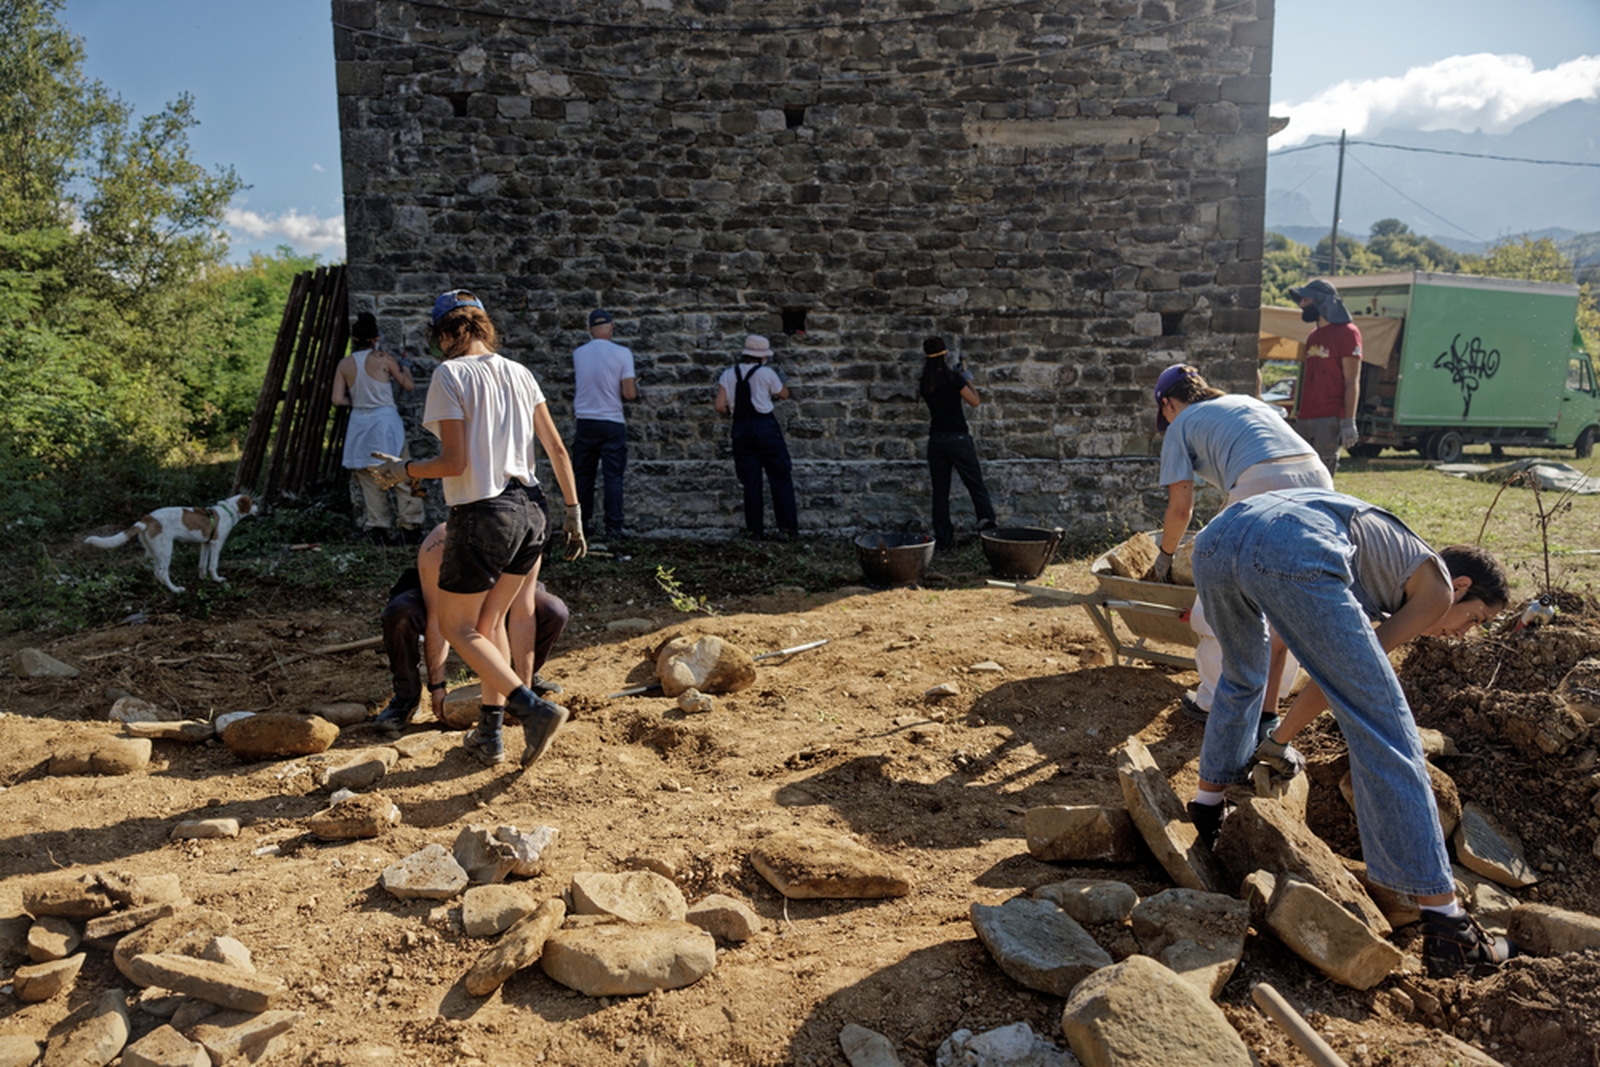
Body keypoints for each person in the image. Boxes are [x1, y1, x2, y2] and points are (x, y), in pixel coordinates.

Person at [1185, 486, 1514, 978]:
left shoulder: (1373, 565)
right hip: (1289, 544)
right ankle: (1449, 929)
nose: (1461, 634)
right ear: (1462, 586)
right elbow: (1351, 690)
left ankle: (1207, 809)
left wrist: (1276, 739)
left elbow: (1290, 657)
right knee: (1388, 730)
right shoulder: (1437, 589)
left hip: (1216, 540)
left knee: (1239, 676)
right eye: (1476, 620)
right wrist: (1279, 739)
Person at [372, 289, 586, 769]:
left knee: (457, 625)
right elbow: (557, 450)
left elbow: (454, 462)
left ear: (449, 332)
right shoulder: (521, 373)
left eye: (439, 337)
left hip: (485, 512)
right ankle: (489, 734)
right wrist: (573, 511)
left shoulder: (451, 374)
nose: (439, 347)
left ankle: (531, 709)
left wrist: (403, 470)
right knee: (491, 624)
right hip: (534, 510)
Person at [1144, 363, 1332, 723]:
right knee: (1291, 592)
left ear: (1167, 403)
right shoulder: (1242, 403)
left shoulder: (1180, 425)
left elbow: (1180, 509)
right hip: (1319, 480)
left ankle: (1214, 701)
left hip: (1264, 482)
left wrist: (1166, 557)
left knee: (1218, 600)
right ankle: (1271, 696)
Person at [375, 522, 569, 737]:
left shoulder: (524, 538)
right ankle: (406, 696)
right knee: (401, 613)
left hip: (498, 595)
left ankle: (523, 681)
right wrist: (437, 687)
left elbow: (522, 617)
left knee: (553, 610)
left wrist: (522, 695)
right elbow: (437, 619)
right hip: (444, 597)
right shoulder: (440, 544)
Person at [332, 312, 425, 542]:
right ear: (376, 338)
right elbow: (407, 385)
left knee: (368, 478)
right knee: (403, 472)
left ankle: (378, 528)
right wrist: (405, 367)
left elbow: (337, 399)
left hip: (360, 425)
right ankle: (410, 526)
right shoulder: (384, 359)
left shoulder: (345, 364)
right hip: (385, 423)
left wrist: (360, 401)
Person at [714, 334, 798, 540]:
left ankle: (755, 532)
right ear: (762, 357)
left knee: (750, 481)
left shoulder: (727, 374)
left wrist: (734, 413)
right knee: (780, 476)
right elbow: (784, 394)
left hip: (741, 428)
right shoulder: (767, 373)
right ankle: (786, 530)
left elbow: (719, 405)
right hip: (765, 426)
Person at [918, 336, 996, 551]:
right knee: (976, 486)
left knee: (940, 493)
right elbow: (974, 401)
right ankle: (989, 530)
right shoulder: (953, 379)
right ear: (945, 354)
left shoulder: (926, 382)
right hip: (958, 439)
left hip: (936, 440)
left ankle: (944, 540)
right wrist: (966, 377)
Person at [570, 308, 637, 542]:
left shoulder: (579, 353)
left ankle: (582, 525)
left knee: (583, 476)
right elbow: (629, 394)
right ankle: (614, 528)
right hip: (612, 421)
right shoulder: (623, 353)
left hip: (586, 421)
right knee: (613, 478)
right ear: (611, 327)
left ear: (590, 330)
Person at [1290, 279, 1363, 477]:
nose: (1301, 305)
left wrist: (1349, 421)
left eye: (1306, 299)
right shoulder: (1313, 336)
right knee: (1298, 475)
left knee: (1320, 478)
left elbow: (1352, 380)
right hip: (1305, 417)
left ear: (1322, 301)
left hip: (1329, 418)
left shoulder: (1348, 333)